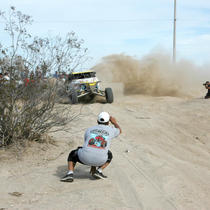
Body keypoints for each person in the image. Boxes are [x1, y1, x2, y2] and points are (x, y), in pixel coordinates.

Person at [61, 112, 122, 182]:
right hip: (100, 160)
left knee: (73, 153)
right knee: (109, 154)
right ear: (108, 122)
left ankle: (70, 174)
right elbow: (119, 130)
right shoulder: (111, 130)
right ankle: (99, 170)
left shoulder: (90, 129)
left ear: (97, 121)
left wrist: (92, 165)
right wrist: (114, 122)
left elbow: (89, 146)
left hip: (84, 158)